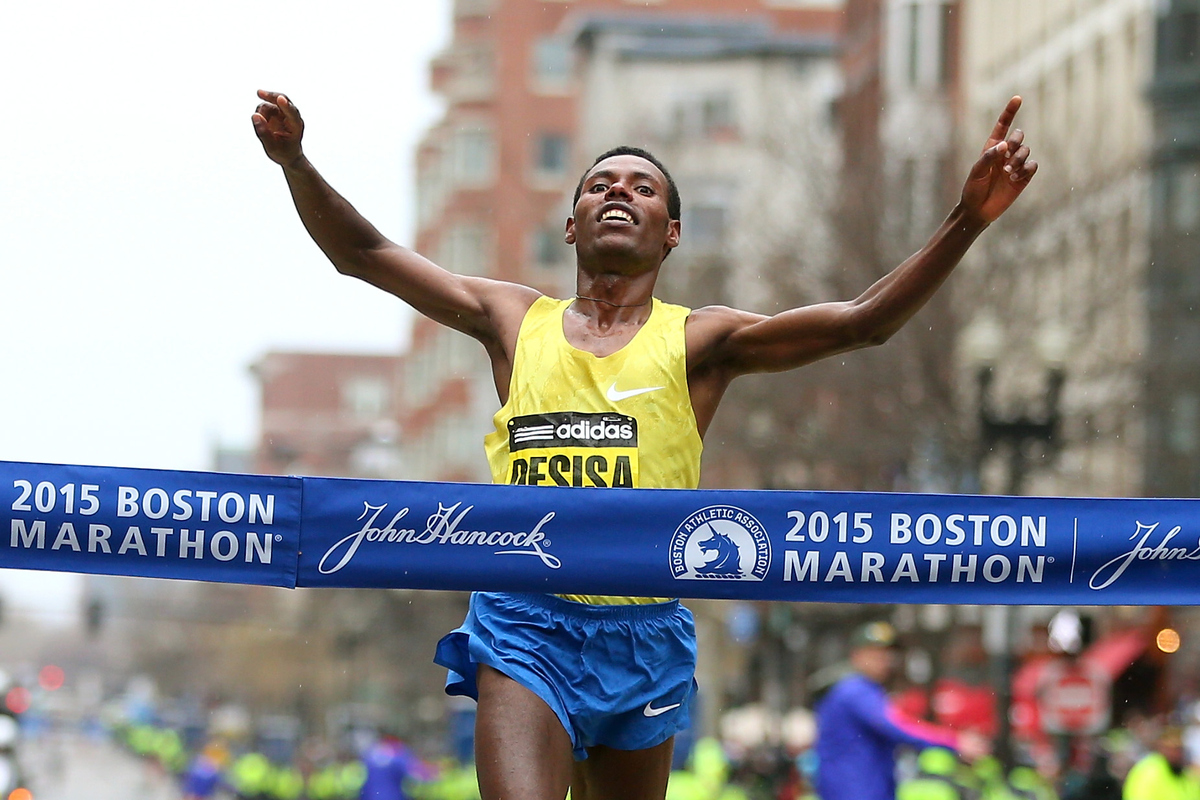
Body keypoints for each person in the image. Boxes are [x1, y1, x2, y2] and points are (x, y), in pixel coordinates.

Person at [252, 88, 1036, 800]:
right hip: (525, 617)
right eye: (598, 185)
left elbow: (865, 322)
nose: (618, 191)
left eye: (642, 187)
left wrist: (964, 221)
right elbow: (365, 255)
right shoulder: (513, 321)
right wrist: (295, 163)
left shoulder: (702, 341)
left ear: (672, 233)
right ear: (571, 225)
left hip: (644, 630)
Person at [815, 622, 988, 800]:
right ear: (856, 655)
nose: (884, 660)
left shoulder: (871, 690)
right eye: (874, 653)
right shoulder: (854, 691)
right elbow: (897, 726)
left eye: (887, 654)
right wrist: (955, 741)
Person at [1122, 726, 1200, 800]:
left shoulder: (1187, 773)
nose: (1176, 754)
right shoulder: (1148, 771)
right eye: (1172, 749)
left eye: (1179, 748)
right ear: (1162, 748)